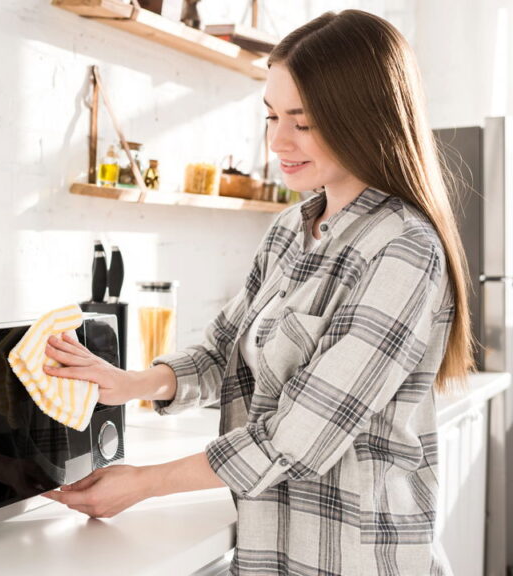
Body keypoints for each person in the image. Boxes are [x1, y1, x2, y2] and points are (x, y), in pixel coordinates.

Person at [42, 9, 472, 575]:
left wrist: (144, 483)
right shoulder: (290, 230)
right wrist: (132, 383)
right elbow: (225, 351)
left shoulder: (404, 249)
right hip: (272, 547)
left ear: (364, 119)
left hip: (355, 556)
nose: (277, 141)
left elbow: (302, 435)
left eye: (304, 122)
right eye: (271, 116)